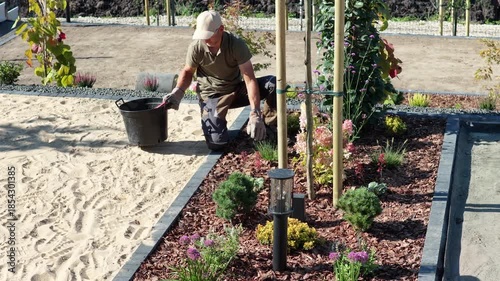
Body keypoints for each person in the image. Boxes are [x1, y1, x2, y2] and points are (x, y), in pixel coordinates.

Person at [163, 10, 277, 151]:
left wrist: (255, 112)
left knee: (273, 83)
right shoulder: (196, 47)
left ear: (221, 29)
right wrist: (178, 91)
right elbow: (187, 71)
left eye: (209, 36)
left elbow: (249, 79)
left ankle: (269, 127)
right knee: (217, 144)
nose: (205, 40)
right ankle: (215, 123)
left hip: (236, 91)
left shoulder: (235, 45)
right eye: (202, 36)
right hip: (212, 96)